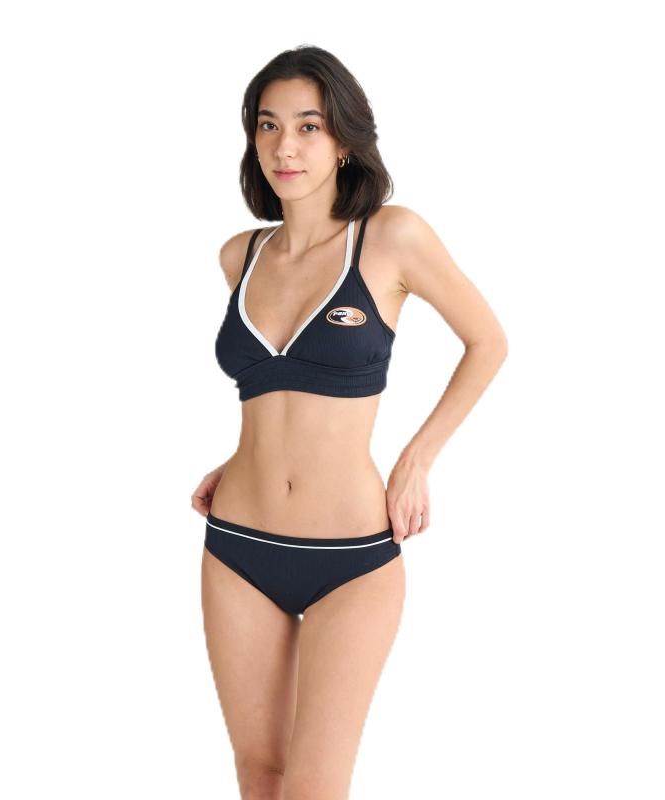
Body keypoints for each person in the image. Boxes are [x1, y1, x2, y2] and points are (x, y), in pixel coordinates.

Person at [191, 45, 508, 800]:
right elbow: (276, 392)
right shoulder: (240, 256)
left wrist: (416, 459)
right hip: (237, 544)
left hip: (352, 556)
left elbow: (488, 342)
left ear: (343, 140)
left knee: (313, 784)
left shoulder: (391, 237)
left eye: (308, 125)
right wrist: (242, 456)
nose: (286, 146)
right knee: (258, 775)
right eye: (268, 125)